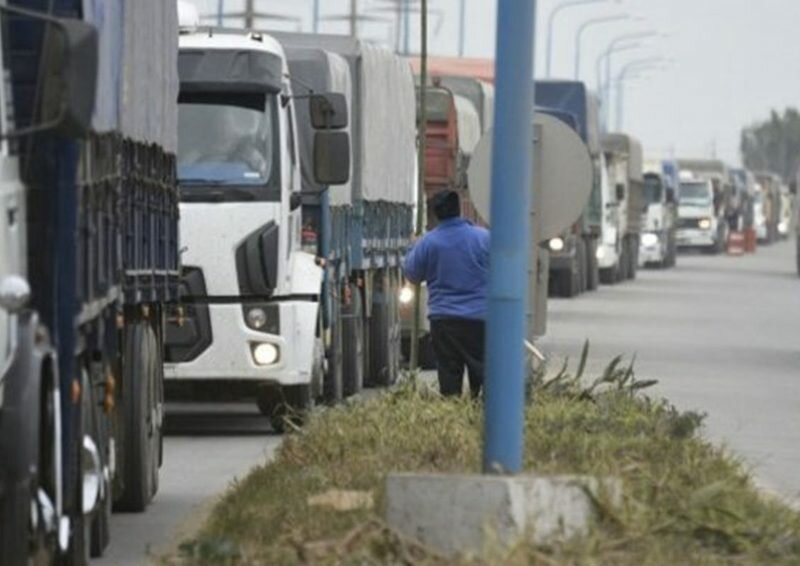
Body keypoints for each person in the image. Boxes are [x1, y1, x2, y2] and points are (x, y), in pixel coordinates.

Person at [403, 190, 490, 397]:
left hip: (444, 321)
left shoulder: (429, 242)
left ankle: (453, 417)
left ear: (435, 214)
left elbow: (412, 275)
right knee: (485, 374)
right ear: (459, 209)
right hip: (481, 320)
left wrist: (411, 248)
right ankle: (481, 416)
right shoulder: (484, 238)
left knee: (449, 377)